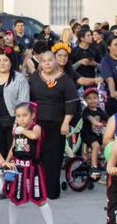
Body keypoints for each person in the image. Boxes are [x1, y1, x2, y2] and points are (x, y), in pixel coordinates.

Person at [3, 102, 58, 224]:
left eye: (24, 115)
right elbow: (13, 147)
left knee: (40, 199)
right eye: (18, 116)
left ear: (32, 116)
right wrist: (6, 162)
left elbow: (34, 136)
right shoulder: (16, 130)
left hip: (33, 169)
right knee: (14, 199)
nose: (21, 118)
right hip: (18, 168)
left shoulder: (35, 127)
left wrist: (22, 130)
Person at [30, 49, 80, 201]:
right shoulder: (34, 78)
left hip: (57, 123)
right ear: (40, 63)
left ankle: (52, 191)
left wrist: (66, 122)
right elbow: (27, 100)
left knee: (54, 157)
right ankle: (37, 190)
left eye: (50, 60)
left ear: (55, 62)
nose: (47, 63)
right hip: (36, 124)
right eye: (44, 61)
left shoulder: (65, 79)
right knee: (37, 156)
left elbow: (71, 102)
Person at [0, 52, 28, 161]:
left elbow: (24, 102)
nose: (2, 63)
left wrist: (18, 122)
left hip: (15, 121)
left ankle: (18, 172)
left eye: (5, 60)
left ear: (11, 62)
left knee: (18, 152)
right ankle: (5, 172)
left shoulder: (20, 79)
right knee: (1, 154)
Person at [80, 88, 108, 177]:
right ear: (85, 100)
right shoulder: (86, 111)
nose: (92, 100)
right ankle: (94, 166)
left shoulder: (99, 110)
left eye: (95, 98)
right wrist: (96, 123)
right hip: (87, 134)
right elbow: (91, 118)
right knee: (96, 145)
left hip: (97, 134)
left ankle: (103, 162)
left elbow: (108, 119)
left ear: (98, 99)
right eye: (89, 98)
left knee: (107, 144)